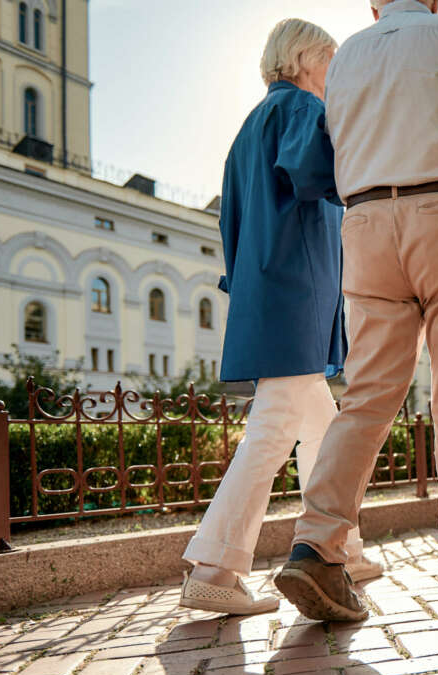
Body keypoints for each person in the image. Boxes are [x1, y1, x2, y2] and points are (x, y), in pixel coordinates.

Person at [273, 0, 438, 621]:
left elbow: (333, 150)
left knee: (367, 395)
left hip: (363, 224)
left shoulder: (349, 55)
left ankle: (316, 545)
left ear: (373, 4)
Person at [179, 19, 380, 617]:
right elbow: (325, 176)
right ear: (301, 58)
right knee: (272, 432)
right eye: (331, 60)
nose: (335, 74)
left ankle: (340, 546)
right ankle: (214, 567)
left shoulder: (250, 127)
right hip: (296, 293)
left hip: (271, 291)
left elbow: (232, 225)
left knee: (322, 427)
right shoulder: (299, 109)